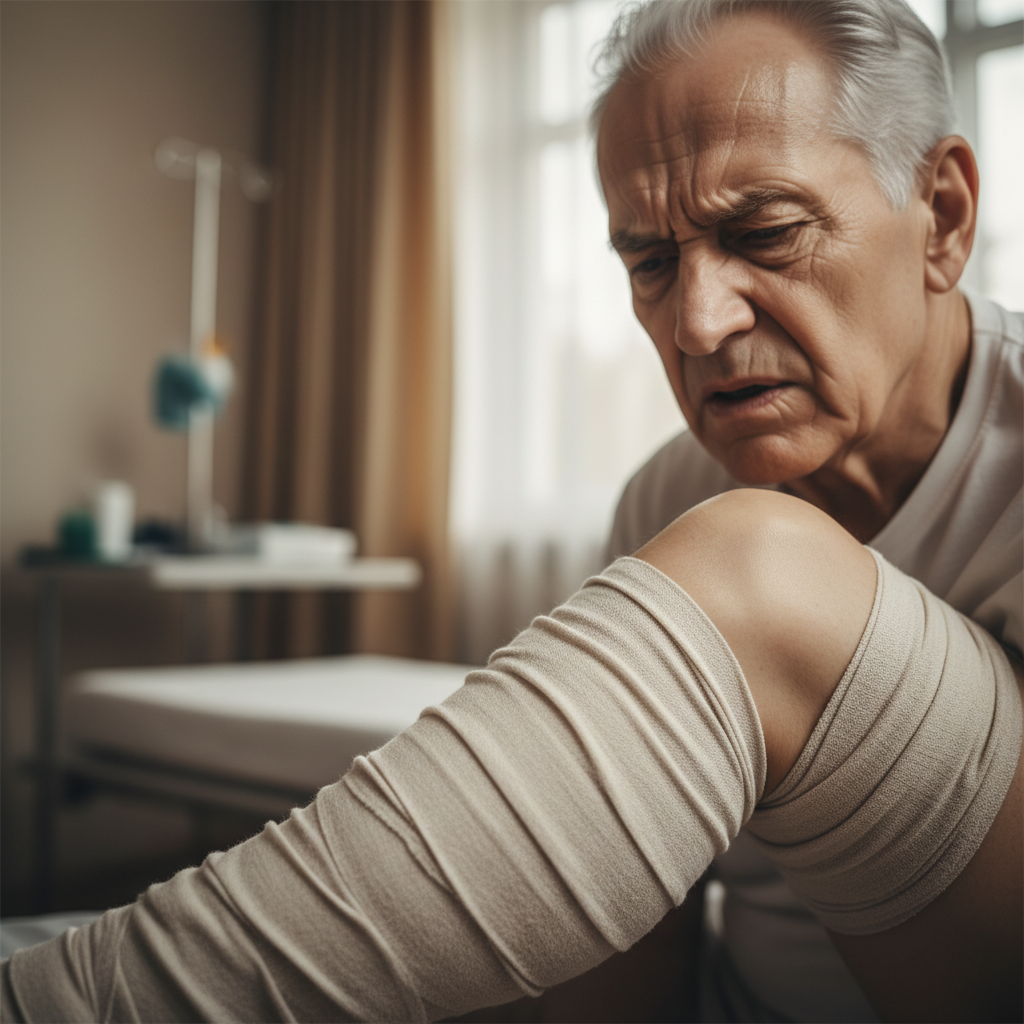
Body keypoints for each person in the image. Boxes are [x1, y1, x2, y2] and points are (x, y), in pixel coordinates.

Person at [2, 1, 1020, 1022]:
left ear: (941, 214)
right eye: (650, 262)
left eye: (765, 231)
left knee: (757, 565)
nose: (697, 323)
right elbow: (630, 931)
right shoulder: (669, 493)